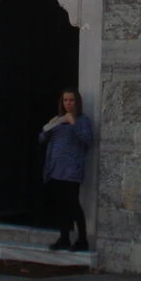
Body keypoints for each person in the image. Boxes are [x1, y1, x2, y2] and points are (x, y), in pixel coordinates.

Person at [39, 87, 93, 251]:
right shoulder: (59, 120)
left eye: (71, 100)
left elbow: (87, 140)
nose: (68, 103)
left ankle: (82, 240)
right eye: (65, 100)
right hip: (56, 168)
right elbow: (41, 139)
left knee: (72, 204)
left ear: (77, 102)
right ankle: (64, 238)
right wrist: (49, 127)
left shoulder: (82, 120)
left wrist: (73, 123)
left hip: (71, 170)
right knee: (61, 205)